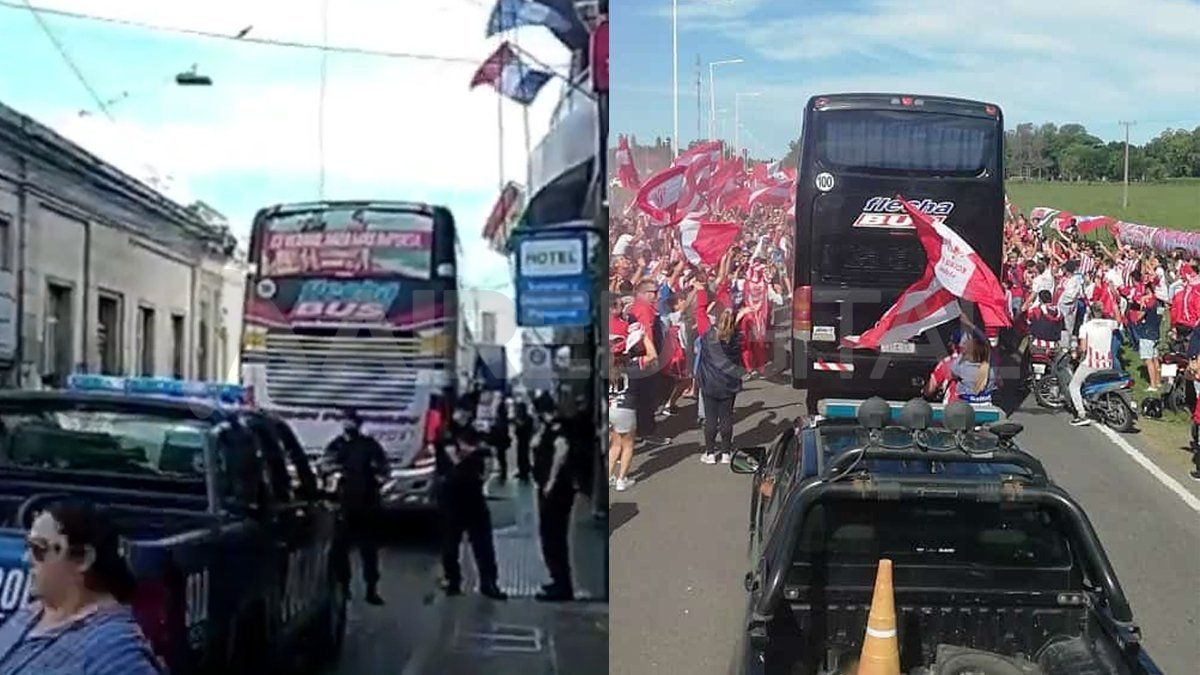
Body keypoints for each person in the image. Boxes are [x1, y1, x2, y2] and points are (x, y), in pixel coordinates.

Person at [0, 499, 164, 674]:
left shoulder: (114, 651)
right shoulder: (29, 615)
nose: (27, 559)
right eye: (28, 547)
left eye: (39, 549)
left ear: (83, 558)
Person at [434, 396, 506, 600]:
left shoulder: (474, 433)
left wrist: (482, 472)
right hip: (451, 492)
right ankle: (453, 581)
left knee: (483, 540)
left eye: (467, 412)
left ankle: (489, 582)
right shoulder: (446, 431)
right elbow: (456, 457)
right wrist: (474, 451)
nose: (464, 416)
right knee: (450, 542)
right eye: (461, 412)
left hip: (473, 491)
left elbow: (488, 453)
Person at [323, 408, 387, 605]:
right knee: (340, 549)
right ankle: (343, 587)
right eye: (346, 421)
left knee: (369, 550)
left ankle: (371, 589)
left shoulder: (369, 446)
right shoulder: (336, 446)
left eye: (352, 422)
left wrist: (377, 477)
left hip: (367, 504)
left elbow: (383, 468)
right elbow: (325, 467)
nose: (349, 425)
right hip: (345, 504)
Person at [532, 392, 587, 601]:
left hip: (556, 491)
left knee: (554, 537)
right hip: (551, 489)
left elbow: (560, 452)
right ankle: (557, 580)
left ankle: (562, 586)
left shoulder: (559, 427)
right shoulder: (549, 427)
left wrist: (550, 482)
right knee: (549, 536)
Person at [695, 288, 744, 464]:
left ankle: (709, 453)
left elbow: (699, 313)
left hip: (709, 383)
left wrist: (701, 291)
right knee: (726, 417)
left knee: (710, 418)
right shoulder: (738, 338)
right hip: (729, 383)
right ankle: (725, 453)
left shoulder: (708, 334)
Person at [1070, 302, 1121, 427]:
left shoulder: (1086, 327)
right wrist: (1115, 308)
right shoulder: (1109, 324)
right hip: (1107, 363)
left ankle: (1081, 414)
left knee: (1073, 385)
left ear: (1090, 313)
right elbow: (1119, 321)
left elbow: (1083, 348)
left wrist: (1075, 352)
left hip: (1091, 363)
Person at [608, 338, 638, 491]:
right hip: (626, 409)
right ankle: (621, 479)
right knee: (628, 445)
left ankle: (609, 475)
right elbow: (652, 359)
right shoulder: (632, 369)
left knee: (615, 444)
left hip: (611, 408)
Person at [950, 333, 996, 404]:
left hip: (966, 408)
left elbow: (953, 372)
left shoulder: (963, 369)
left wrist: (962, 354)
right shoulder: (991, 370)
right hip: (986, 407)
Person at [512, 400, 535, 482]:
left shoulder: (527, 419)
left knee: (523, 455)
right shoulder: (525, 418)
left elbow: (524, 427)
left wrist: (518, 423)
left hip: (525, 439)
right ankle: (522, 470)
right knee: (521, 455)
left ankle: (524, 472)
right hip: (521, 439)